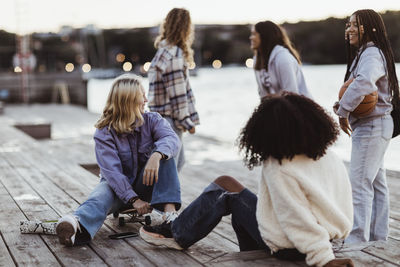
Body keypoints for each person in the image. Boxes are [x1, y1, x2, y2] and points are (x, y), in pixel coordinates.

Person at [140, 93, 354, 267]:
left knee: (226, 186)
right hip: (332, 239)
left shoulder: (279, 166)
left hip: (297, 247)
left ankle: (178, 232)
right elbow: (340, 206)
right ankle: (249, 256)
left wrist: (323, 259)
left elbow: (295, 218)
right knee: (238, 206)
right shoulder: (329, 156)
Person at [56, 74, 182, 246]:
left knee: (165, 153)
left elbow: (172, 139)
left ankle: (171, 217)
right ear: (128, 100)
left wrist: (156, 155)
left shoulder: (153, 120)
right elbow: (112, 173)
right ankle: (76, 225)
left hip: (147, 186)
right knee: (100, 195)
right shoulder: (103, 132)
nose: (146, 99)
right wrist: (134, 200)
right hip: (117, 189)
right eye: (142, 95)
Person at [333, 9, 399, 243]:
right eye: (348, 24)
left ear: (369, 28)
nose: (349, 29)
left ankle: (357, 240)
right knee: (376, 184)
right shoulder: (369, 53)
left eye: (354, 25)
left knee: (359, 184)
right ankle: (378, 239)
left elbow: (363, 83)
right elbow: (362, 88)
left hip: (372, 126)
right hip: (376, 125)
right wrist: (342, 104)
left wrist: (344, 111)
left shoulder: (371, 54)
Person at [148, 8, 200, 172]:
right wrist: (187, 122)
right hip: (169, 121)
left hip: (157, 118)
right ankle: (164, 198)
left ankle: (164, 197)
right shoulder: (174, 54)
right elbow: (178, 95)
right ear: (186, 29)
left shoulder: (162, 52)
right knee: (170, 169)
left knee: (176, 164)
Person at [250, 20, 312, 99]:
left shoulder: (283, 59)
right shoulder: (257, 60)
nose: (250, 38)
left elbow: (292, 94)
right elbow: (263, 95)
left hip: (302, 107)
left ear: (264, 36)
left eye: (254, 34)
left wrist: (273, 98)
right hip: (278, 107)